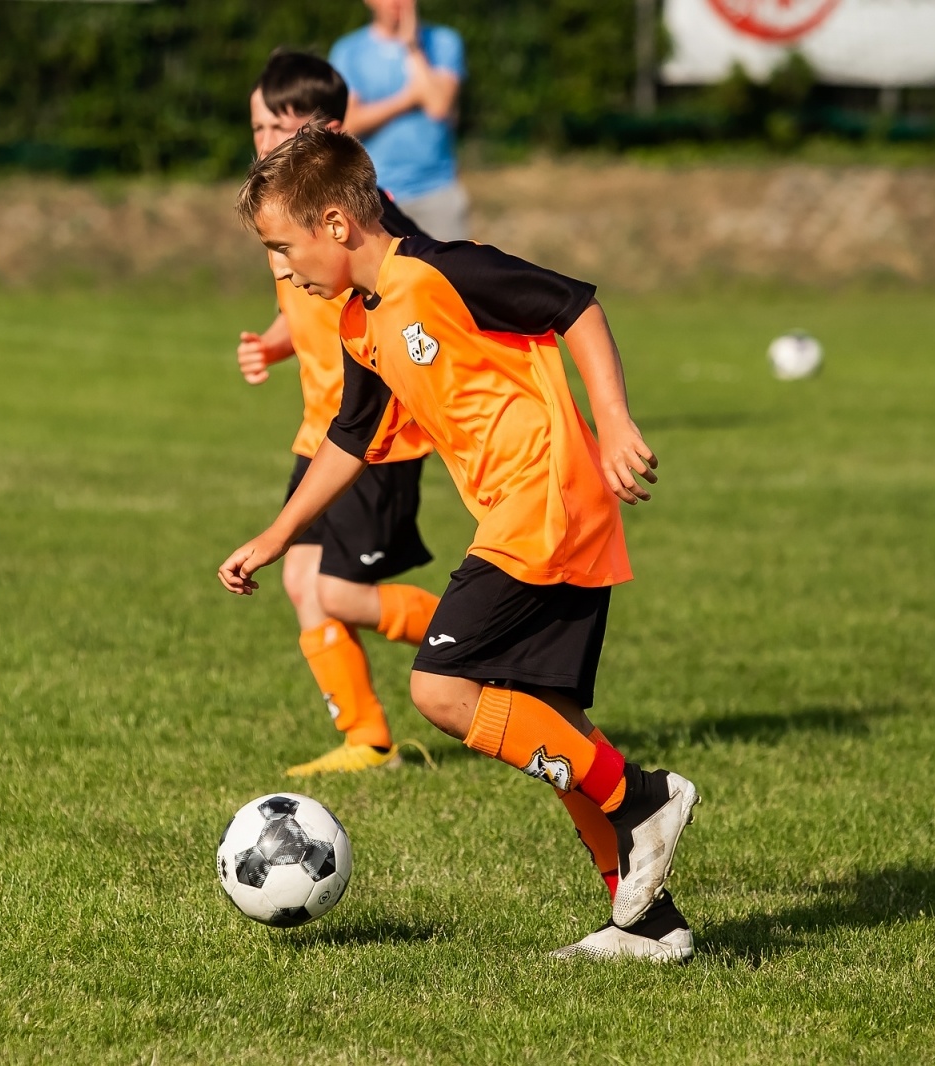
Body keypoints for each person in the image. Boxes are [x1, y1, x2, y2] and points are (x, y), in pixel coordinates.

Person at [219, 122, 700, 961]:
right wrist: (274, 534)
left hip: (546, 495)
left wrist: (615, 422)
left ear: (337, 224)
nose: (285, 270)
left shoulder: (442, 270)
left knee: (441, 690)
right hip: (527, 510)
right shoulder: (360, 322)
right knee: (553, 723)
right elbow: (350, 436)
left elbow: (575, 305)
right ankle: (649, 924)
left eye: (283, 248)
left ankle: (643, 797)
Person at [237, 51, 442, 778]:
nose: (262, 143)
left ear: (325, 131)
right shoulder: (283, 213)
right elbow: (309, 307)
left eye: (278, 128)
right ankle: (366, 737)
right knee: (300, 583)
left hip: (376, 439)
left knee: (329, 589)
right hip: (318, 430)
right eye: (256, 126)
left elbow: (411, 299)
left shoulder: (363, 222)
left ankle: (457, 634)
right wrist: (273, 343)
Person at [330, 0, 469, 240]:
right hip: (374, 194)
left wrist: (412, 46)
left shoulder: (444, 41)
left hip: (437, 190)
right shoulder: (347, 52)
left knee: (450, 277)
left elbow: (438, 106)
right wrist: (409, 98)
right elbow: (349, 123)